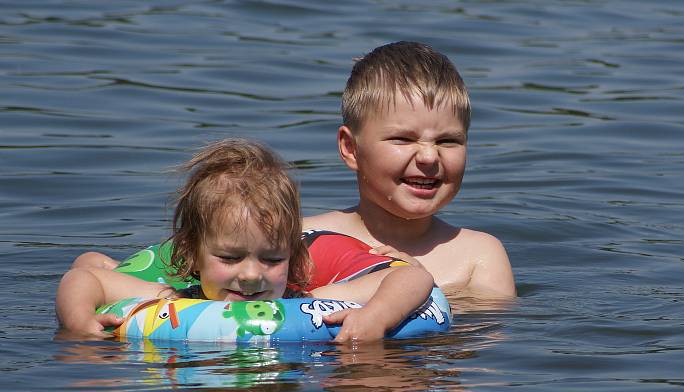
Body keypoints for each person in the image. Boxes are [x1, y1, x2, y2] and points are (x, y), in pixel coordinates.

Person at [56, 138, 434, 342]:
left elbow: (414, 278)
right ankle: (104, 257)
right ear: (192, 254)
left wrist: (377, 316)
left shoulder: (306, 303)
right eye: (230, 258)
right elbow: (82, 281)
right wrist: (79, 323)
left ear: (294, 258)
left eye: (271, 259)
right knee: (90, 265)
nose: (252, 276)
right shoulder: (171, 298)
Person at [303, 41, 516, 300]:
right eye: (403, 139)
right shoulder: (303, 239)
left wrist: (416, 287)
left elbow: (488, 333)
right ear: (350, 148)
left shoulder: (479, 256)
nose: (429, 156)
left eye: (448, 141)